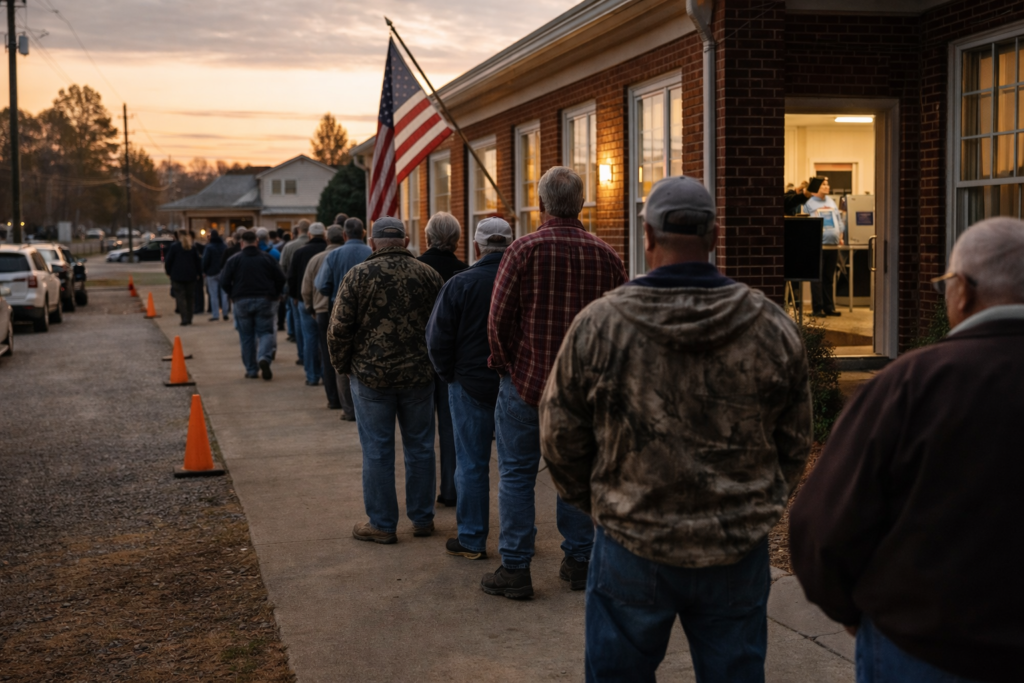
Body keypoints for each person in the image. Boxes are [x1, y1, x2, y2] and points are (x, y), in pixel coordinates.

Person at [540, 175, 813, 681]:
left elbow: (559, 437)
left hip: (631, 542)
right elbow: (795, 442)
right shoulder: (769, 325)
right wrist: (755, 506)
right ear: (714, 236)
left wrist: (600, 504)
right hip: (733, 545)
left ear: (646, 235)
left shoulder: (600, 325)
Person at [790, 217, 1024, 683]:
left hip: (925, 646)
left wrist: (851, 606)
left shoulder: (911, 383)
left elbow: (824, 524)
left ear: (962, 291)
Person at [485, 166, 627, 599]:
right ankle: (579, 562)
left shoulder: (523, 250)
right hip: (583, 392)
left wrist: (507, 363)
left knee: (515, 475)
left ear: (541, 204)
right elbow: (619, 325)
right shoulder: (606, 256)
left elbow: (498, 320)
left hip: (525, 385)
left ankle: (515, 568)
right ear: (580, 204)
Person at [327, 217, 445, 544]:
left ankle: (382, 523)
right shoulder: (428, 275)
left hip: (370, 378)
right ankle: (422, 518)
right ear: (405, 240)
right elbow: (442, 327)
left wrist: (343, 367)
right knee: (421, 447)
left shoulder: (359, 275)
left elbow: (339, 329)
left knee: (377, 450)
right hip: (419, 376)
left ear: (374, 241)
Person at [426, 217, 513, 561]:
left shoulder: (461, 283)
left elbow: (437, 339)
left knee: (472, 464)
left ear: (476, 247)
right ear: (510, 244)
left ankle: (473, 539)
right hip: (515, 384)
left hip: (469, 384)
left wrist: (449, 374)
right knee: (515, 469)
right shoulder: (522, 281)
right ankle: (518, 541)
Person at [417, 212, 468, 508]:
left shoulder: (416, 268)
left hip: (421, 361)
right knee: (451, 431)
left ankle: (422, 502)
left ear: (427, 238)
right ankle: (450, 490)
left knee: (420, 435)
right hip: (454, 364)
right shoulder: (465, 272)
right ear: (458, 240)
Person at [316, 217, 372, 421]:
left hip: (339, 311)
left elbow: (322, 285)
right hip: (369, 312)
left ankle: (349, 410)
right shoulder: (371, 253)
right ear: (364, 234)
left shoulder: (334, 255)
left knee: (341, 358)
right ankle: (368, 406)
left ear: (344, 235)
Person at [219, 229, 285, 380]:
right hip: (265, 299)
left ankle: (251, 369)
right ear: (256, 242)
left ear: (241, 243)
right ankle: (264, 357)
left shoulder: (234, 260)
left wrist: (233, 294)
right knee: (266, 332)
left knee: (247, 336)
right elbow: (281, 278)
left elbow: (224, 281)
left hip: (241, 300)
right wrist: (274, 294)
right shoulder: (267, 258)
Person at [302, 224, 345, 409]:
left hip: (322, 312)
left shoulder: (315, 260)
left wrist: (310, 307)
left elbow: (307, 288)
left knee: (327, 356)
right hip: (345, 311)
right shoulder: (348, 256)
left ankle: (333, 399)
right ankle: (348, 400)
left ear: (327, 239)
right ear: (343, 237)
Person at [289, 222, 328, 386]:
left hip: (305, 300)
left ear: (310, 235)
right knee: (325, 341)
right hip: (325, 301)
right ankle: (327, 376)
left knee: (309, 339)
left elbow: (292, 277)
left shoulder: (300, 252)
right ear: (324, 236)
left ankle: (312, 376)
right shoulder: (329, 252)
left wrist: (295, 296)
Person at [806, 177, 844, 317]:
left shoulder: (831, 201)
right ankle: (817, 309)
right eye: (823, 185)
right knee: (817, 278)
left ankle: (829, 307)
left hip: (833, 246)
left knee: (829, 278)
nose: (827, 187)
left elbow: (839, 221)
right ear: (816, 187)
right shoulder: (808, 203)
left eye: (828, 184)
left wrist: (841, 235)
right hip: (818, 245)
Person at [164, 229, 202, 326]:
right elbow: (197, 262)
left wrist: (168, 272)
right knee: (190, 297)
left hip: (177, 275)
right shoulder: (192, 248)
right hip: (191, 275)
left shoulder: (174, 247)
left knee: (180, 297)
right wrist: (199, 273)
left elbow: (168, 261)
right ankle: (189, 317)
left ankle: (184, 317)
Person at [280, 220, 310, 340]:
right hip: (312, 286)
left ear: (298, 230)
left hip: (293, 285)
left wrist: (286, 284)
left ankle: (297, 340)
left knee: (296, 316)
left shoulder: (289, 246)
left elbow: (282, 266)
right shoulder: (318, 245)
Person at [201, 229, 229, 321]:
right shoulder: (224, 246)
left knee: (214, 295)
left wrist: (204, 270)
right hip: (223, 271)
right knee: (224, 294)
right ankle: (225, 313)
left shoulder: (209, 247)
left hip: (212, 272)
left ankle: (215, 315)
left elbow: (205, 260)